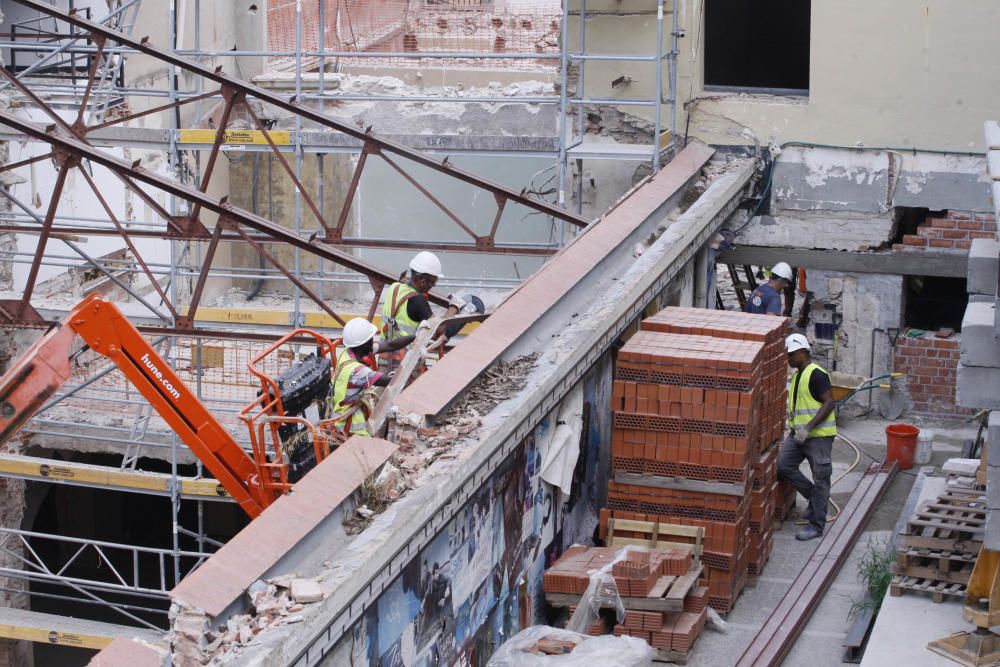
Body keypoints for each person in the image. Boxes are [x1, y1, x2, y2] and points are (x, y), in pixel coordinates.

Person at [778, 333, 837, 541]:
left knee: (821, 478)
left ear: (803, 352)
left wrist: (809, 427)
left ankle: (816, 525)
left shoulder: (816, 374)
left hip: (818, 437)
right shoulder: (797, 376)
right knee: (783, 466)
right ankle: (815, 500)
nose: (789, 359)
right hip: (798, 436)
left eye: (791, 355)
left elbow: (830, 402)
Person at [328, 318, 414, 438]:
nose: (373, 340)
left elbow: (390, 345)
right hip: (349, 427)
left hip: (339, 416)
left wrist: (415, 336)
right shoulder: (359, 372)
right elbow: (394, 382)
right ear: (364, 344)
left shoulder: (347, 353)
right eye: (371, 338)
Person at [381, 251, 464, 362]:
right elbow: (439, 328)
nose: (432, 287)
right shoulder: (417, 301)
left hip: (384, 355)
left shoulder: (395, 286)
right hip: (405, 362)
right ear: (423, 281)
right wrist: (454, 307)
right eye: (433, 283)